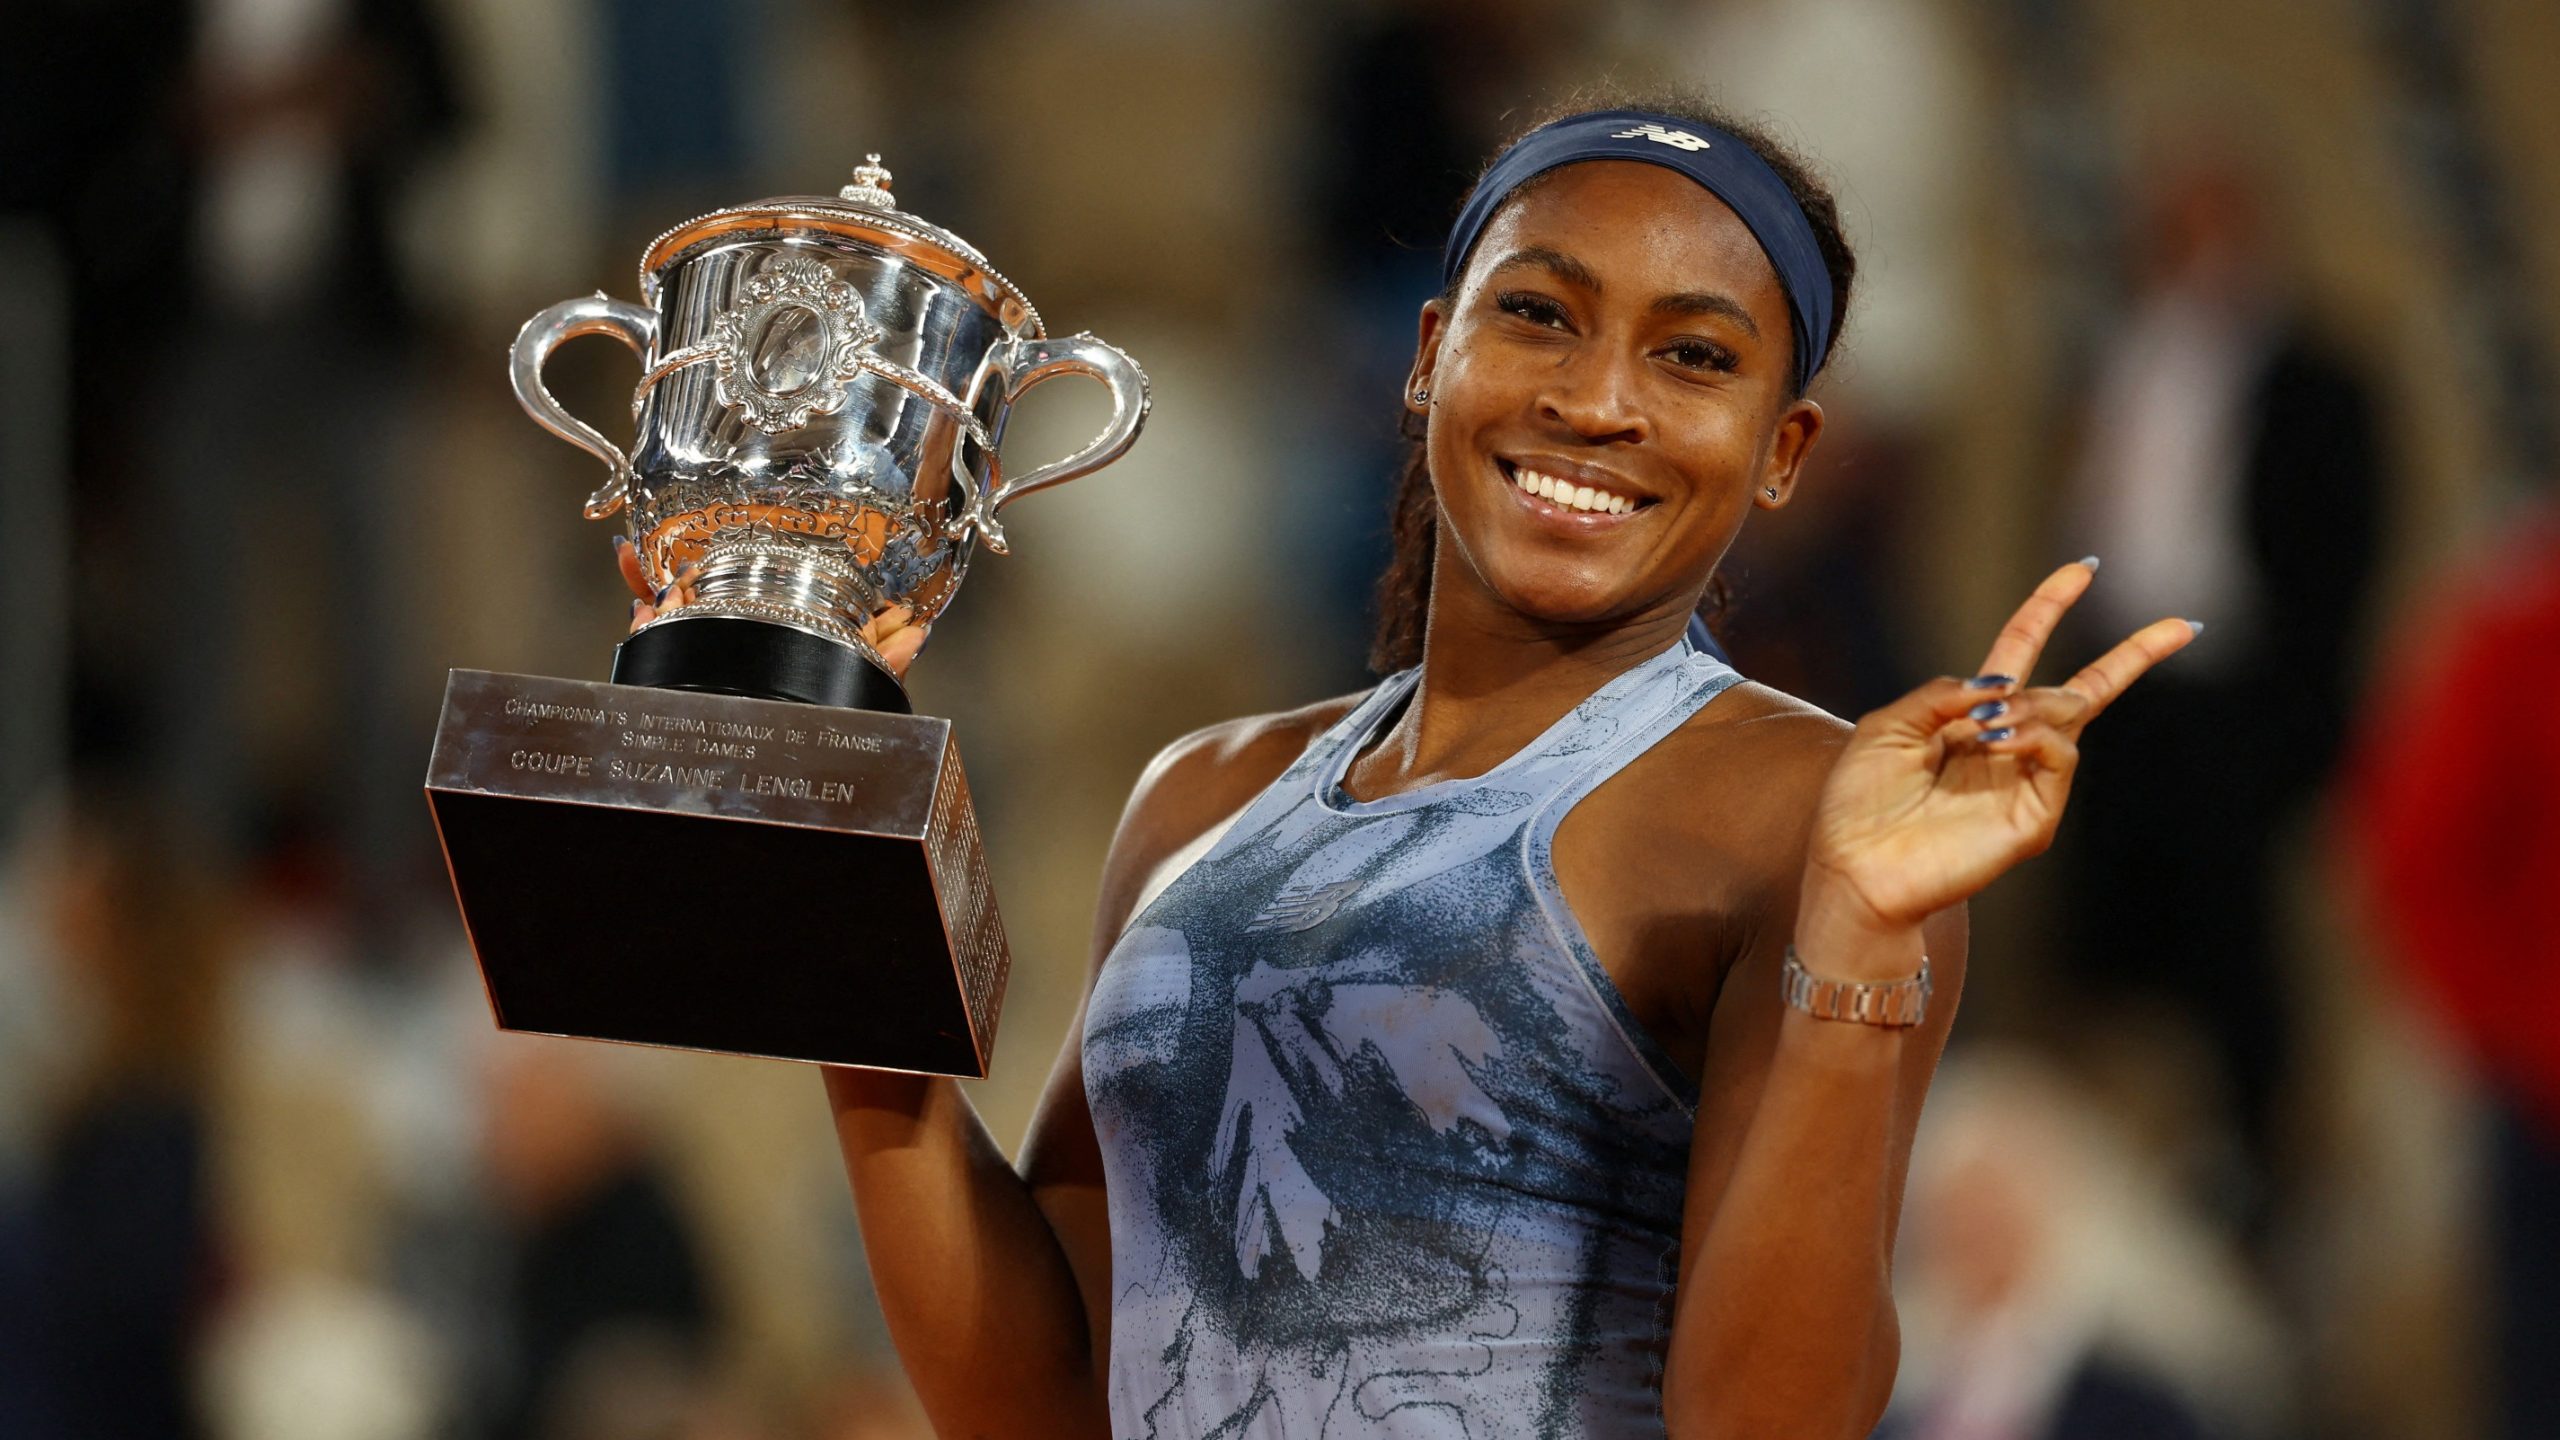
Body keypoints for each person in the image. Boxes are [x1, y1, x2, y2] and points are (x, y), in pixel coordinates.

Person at [630, 90, 2199, 1439]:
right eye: (1541, 314)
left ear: (1784, 450)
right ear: (1429, 353)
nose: (1597, 401)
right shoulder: (1199, 798)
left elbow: (1765, 1424)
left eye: (1695, 357)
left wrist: (1859, 936)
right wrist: (858, 971)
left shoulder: (1803, 814)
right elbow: (1049, 1399)